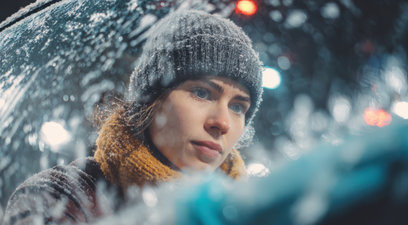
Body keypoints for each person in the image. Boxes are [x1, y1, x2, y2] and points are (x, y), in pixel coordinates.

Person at [2, 9, 262, 225]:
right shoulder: (63, 193)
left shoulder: (251, 209)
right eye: (201, 92)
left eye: (238, 107)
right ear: (152, 101)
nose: (222, 123)